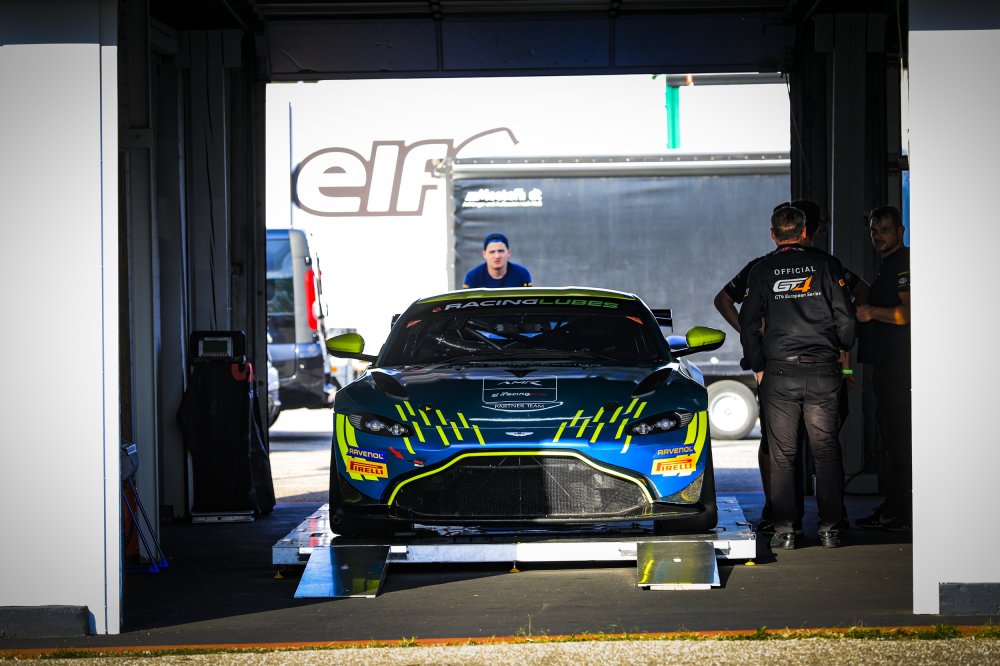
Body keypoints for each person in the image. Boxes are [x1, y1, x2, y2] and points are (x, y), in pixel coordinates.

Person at [714, 200, 864, 534]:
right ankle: (831, 528)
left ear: (773, 234)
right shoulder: (827, 265)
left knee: (783, 454)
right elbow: (846, 318)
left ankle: (786, 530)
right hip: (823, 371)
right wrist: (841, 348)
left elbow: (749, 324)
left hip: (779, 373)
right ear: (805, 231)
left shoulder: (762, 269)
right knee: (826, 450)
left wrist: (758, 364)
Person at [855, 205, 911, 532]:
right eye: (874, 231)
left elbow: (909, 313)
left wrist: (871, 312)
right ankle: (895, 507)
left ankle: (903, 512)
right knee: (893, 439)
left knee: (900, 440)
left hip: (899, 368)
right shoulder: (889, 265)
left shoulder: (904, 263)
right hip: (887, 366)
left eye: (885, 230)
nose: (878, 236)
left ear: (900, 231)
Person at [462, 232, 532, 288]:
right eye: (492, 252)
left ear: (509, 253)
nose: (497, 256)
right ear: (484, 254)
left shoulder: (522, 274)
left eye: (501, 251)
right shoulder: (472, 277)